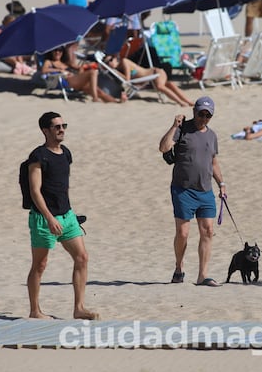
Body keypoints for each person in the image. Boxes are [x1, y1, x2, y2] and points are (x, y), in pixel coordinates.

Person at [26, 112, 99, 320]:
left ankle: (79, 308)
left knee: (82, 257)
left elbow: (62, 187)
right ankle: (35, 311)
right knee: (40, 265)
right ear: (45, 130)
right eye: (57, 126)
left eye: (63, 125)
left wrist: (70, 213)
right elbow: (35, 191)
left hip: (67, 217)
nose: (62, 130)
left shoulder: (65, 153)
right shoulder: (38, 156)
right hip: (43, 218)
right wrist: (50, 218)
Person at [158, 97, 226, 287]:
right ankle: (179, 268)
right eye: (201, 113)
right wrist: (174, 126)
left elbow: (213, 163)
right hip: (183, 189)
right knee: (183, 233)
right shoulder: (182, 129)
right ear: (194, 111)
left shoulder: (212, 136)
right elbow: (163, 147)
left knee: (208, 231)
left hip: (205, 190)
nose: (203, 118)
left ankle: (202, 275)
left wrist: (221, 183)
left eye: (208, 115)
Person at [104, 53, 193, 107]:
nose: (110, 63)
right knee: (169, 85)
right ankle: (188, 102)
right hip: (152, 77)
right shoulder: (120, 69)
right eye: (107, 63)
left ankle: (181, 102)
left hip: (156, 72)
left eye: (111, 60)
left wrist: (115, 71)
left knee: (160, 86)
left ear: (116, 58)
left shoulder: (124, 61)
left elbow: (127, 79)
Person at [41, 47, 117, 103]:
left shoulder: (66, 63)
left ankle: (117, 102)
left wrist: (85, 66)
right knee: (93, 72)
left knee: (99, 91)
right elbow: (44, 70)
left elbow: (79, 68)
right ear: (51, 52)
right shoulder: (49, 62)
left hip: (76, 80)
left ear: (63, 52)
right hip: (67, 81)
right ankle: (95, 98)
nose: (58, 52)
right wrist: (59, 70)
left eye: (60, 50)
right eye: (55, 50)